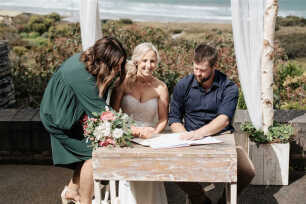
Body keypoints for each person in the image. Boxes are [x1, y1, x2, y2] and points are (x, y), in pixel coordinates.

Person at [40, 36, 127, 204]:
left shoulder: (91, 62)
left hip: (76, 115)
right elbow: (101, 111)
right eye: (115, 65)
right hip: (59, 119)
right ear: (104, 60)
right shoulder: (81, 75)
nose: (118, 69)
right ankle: (85, 201)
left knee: (92, 147)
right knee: (93, 154)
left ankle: (71, 192)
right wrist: (135, 130)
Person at [168, 44, 255, 204]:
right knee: (171, 166)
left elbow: (224, 119)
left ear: (214, 67)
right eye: (195, 68)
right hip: (190, 141)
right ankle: (199, 199)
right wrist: (184, 135)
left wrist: (199, 134)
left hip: (222, 138)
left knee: (247, 171)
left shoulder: (229, 87)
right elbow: (174, 118)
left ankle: (224, 201)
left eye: (202, 70)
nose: (197, 73)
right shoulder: (183, 85)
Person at [111, 42, 169, 204]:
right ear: (136, 61)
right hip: (126, 137)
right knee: (128, 179)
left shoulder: (161, 87)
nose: (148, 65)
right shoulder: (122, 83)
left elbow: (163, 119)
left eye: (152, 61)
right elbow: (112, 115)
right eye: (144, 60)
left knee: (149, 181)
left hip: (150, 140)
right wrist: (126, 131)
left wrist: (154, 135)